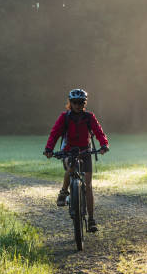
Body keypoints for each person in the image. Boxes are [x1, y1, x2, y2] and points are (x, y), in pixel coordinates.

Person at [43, 88, 109, 232]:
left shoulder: (89, 117)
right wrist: (49, 148)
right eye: (74, 102)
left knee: (89, 185)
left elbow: (98, 131)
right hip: (68, 151)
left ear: (84, 103)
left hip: (85, 151)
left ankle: (91, 219)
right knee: (70, 167)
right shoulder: (64, 117)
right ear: (70, 103)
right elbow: (54, 133)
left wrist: (104, 144)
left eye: (81, 102)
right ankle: (63, 192)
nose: (78, 105)